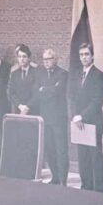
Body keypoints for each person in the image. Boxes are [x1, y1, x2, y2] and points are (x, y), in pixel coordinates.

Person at [69, 42, 103, 192]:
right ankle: (86, 188)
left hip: (92, 122)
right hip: (78, 123)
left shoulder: (99, 75)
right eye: (81, 55)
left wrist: (81, 116)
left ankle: (99, 190)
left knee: (95, 158)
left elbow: (97, 101)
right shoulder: (77, 75)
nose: (84, 57)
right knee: (83, 157)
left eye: (86, 54)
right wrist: (75, 116)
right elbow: (72, 97)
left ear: (92, 56)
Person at [38, 48, 69, 185]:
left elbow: (58, 90)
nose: (46, 62)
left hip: (58, 118)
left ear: (55, 60)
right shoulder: (40, 74)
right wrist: (50, 89)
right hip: (45, 118)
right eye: (44, 59)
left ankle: (63, 180)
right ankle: (55, 177)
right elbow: (36, 91)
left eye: (49, 59)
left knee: (61, 150)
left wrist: (44, 89)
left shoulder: (63, 74)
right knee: (50, 149)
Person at [7, 45, 39, 115]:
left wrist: (27, 107)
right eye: (19, 56)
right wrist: (20, 106)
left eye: (24, 56)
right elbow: (11, 93)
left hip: (33, 110)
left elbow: (37, 93)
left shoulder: (36, 72)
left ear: (29, 58)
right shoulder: (14, 74)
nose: (22, 59)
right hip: (18, 110)